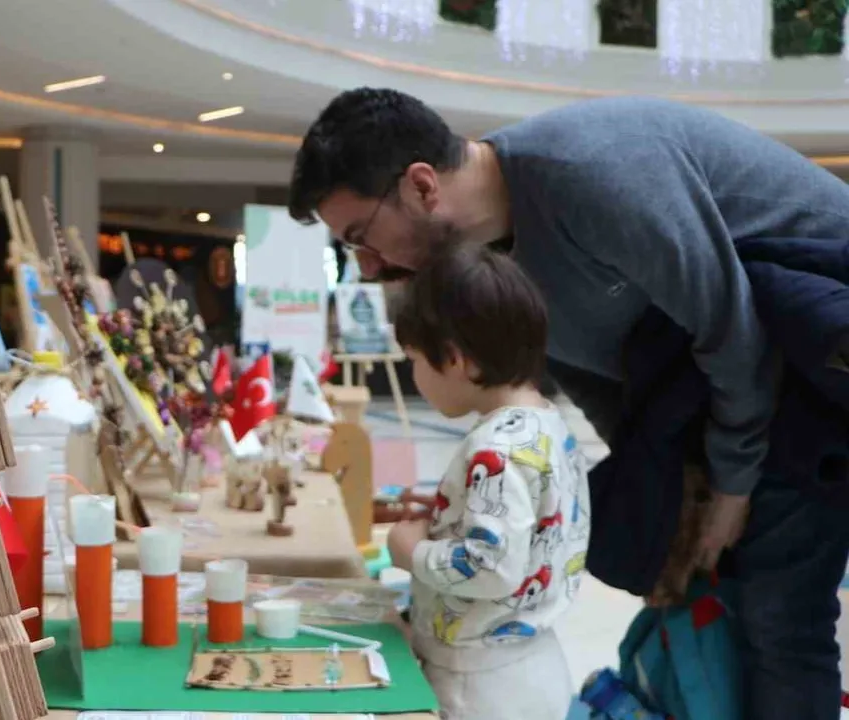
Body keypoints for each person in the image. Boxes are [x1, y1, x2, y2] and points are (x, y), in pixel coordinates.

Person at [288, 87, 849, 720]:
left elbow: (733, 331)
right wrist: (680, 488)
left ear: (421, 186)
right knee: (736, 605)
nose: (367, 267)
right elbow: (603, 380)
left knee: (781, 616)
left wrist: (730, 486)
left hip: (811, 373)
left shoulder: (595, 175)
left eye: (363, 236)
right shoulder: (497, 258)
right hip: (741, 392)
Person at [385, 240, 588, 720]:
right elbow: (532, 527)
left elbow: (491, 566)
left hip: (478, 684)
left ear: (455, 359)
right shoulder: (546, 424)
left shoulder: (495, 448)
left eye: (414, 359)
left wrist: (411, 552)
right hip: (529, 665)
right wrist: (449, 513)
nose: (414, 374)